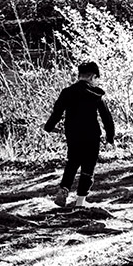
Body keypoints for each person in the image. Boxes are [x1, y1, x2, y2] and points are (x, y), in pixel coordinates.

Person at [44, 60, 115, 208]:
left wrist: (49, 127)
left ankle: (63, 190)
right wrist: (110, 138)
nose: (97, 81)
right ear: (93, 77)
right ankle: (80, 201)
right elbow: (107, 118)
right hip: (91, 135)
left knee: (73, 162)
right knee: (88, 166)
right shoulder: (96, 94)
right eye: (97, 78)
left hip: (73, 134)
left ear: (80, 75)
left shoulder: (67, 92)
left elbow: (56, 113)